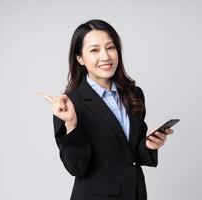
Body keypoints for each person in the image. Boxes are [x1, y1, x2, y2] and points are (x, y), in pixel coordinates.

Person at [39, 19, 173, 200]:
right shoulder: (68, 104)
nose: (106, 57)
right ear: (80, 58)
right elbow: (76, 167)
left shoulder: (134, 94)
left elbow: (130, 154)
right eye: (94, 50)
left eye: (110, 48)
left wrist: (148, 144)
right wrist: (71, 123)